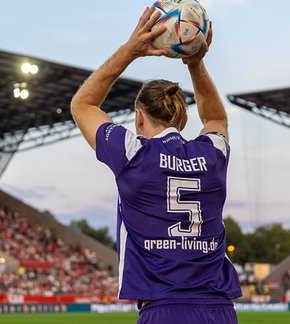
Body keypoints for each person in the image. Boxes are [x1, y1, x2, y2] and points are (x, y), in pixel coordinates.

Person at [70, 6, 241, 324]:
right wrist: (196, 64)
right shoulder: (212, 155)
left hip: (163, 309)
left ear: (138, 117)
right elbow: (216, 117)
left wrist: (131, 49)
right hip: (220, 311)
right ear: (185, 118)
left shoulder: (132, 154)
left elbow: (83, 104)